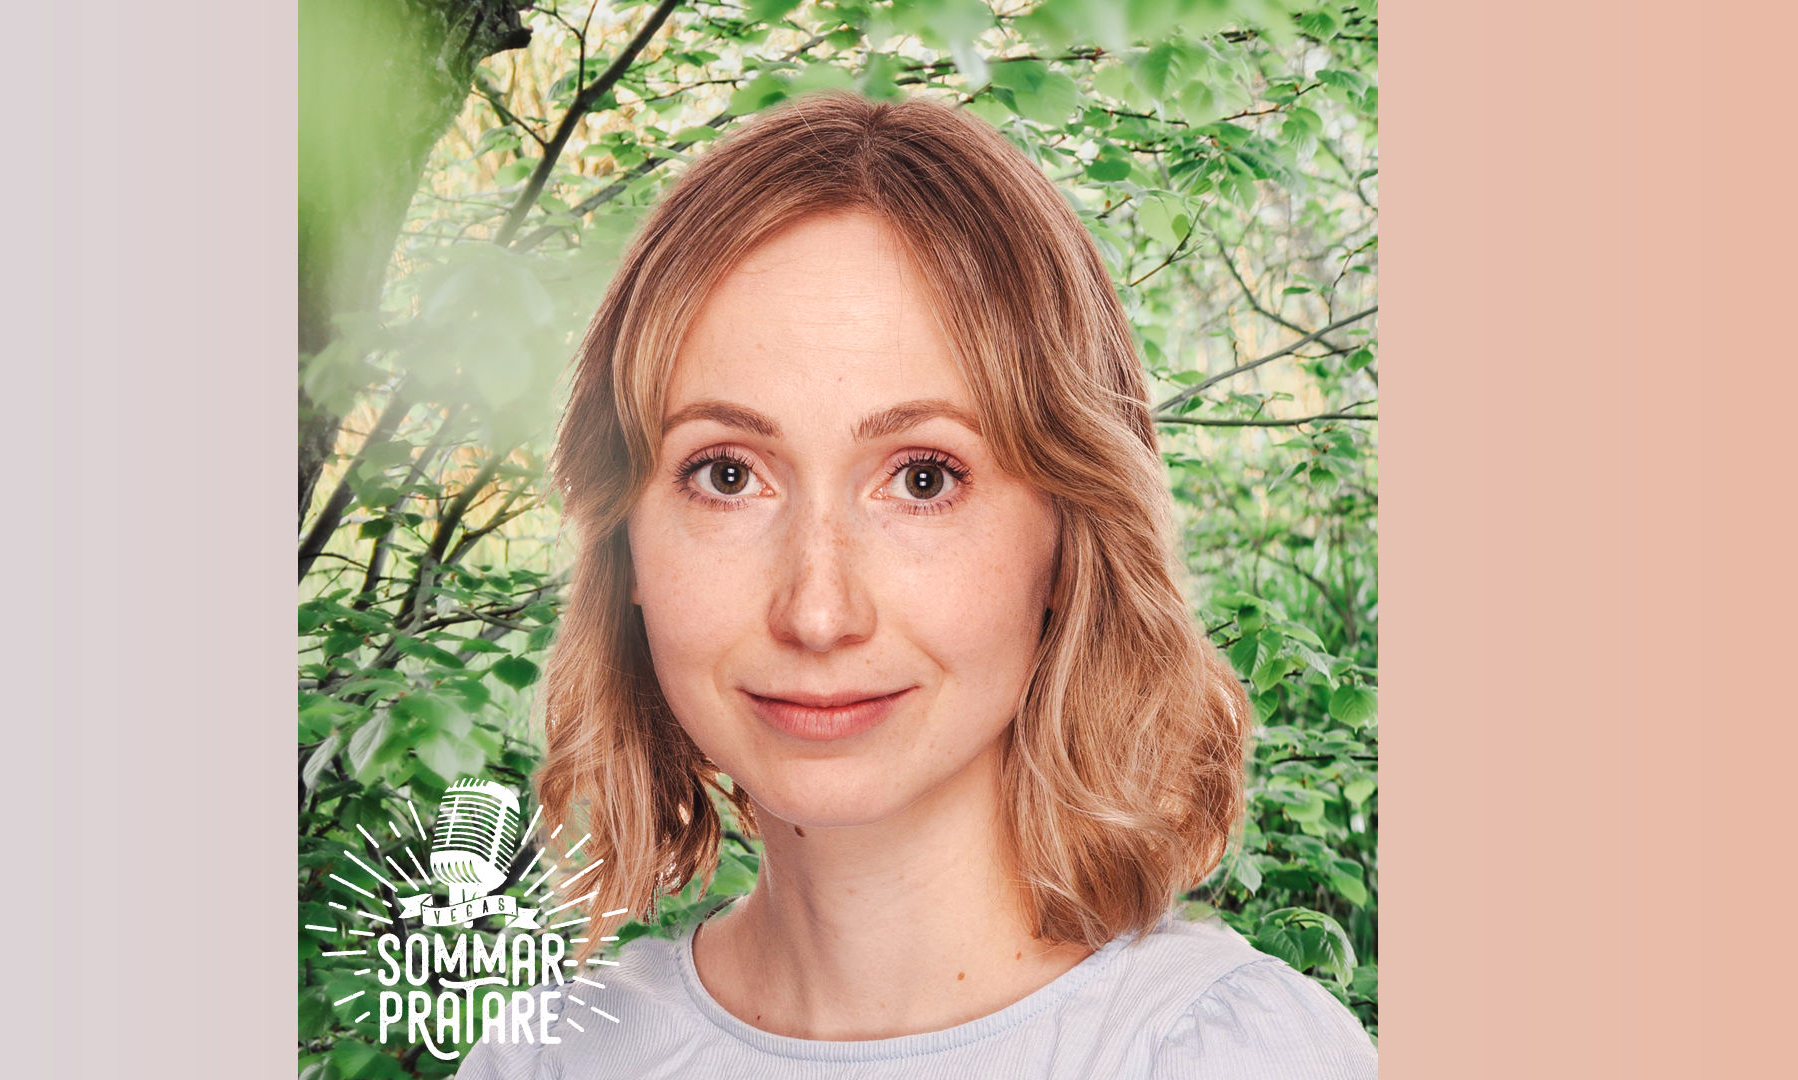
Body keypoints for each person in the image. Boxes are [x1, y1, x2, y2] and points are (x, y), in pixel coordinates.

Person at [458, 90, 1376, 1078]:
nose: (818, 612)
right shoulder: (546, 1061)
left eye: (923, 479)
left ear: (1070, 533)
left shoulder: (1224, 1055)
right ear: (625, 544)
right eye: (725, 475)